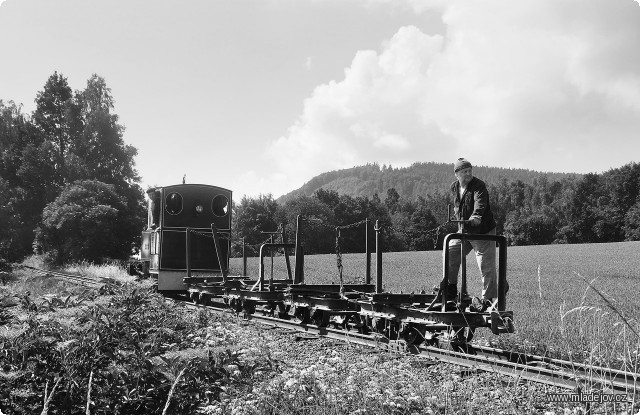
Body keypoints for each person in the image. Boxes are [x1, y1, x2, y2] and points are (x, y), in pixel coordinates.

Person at [446, 158, 500, 312]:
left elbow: (480, 202)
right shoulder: (454, 187)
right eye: (464, 171)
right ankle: (450, 289)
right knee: (450, 251)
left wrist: (476, 216)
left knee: (485, 265)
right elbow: (459, 207)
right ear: (457, 174)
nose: (468, 173)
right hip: (464, 231)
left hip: (483, 231)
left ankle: (488, 300)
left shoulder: (479, 185)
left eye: (470, 170)